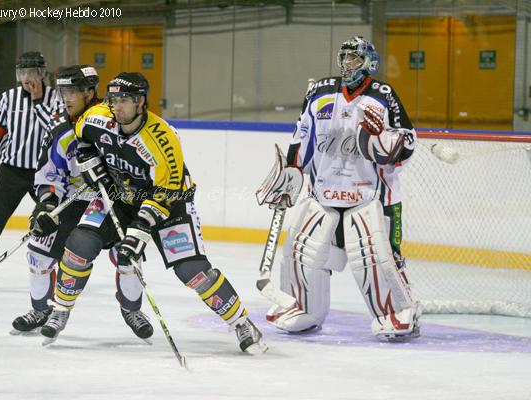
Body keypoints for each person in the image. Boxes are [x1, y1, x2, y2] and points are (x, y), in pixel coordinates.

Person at [40, 72, 267, 354]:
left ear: (141, 102)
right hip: (120, 197)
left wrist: (138, 233)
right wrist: (88, 158)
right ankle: (60, 309)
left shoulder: (162, 139)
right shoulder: (97, 117)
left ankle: (241, 323)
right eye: (114, 99)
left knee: (192, 271)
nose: (117, 106)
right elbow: (82, 135)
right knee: (79, 244)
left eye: (125, 100)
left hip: (170, 204)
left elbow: (165, 192)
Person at [256, 36, 422, 340]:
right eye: (344, 58)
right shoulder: (319, 92)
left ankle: (398, 312)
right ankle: (304, 307)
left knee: (377, 258)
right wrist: (292, 172)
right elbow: (302, 136)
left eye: (354, 59)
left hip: (371, 196)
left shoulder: (383, 96)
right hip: (324, 193)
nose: (347, 64)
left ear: (369, 62)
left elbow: (407, 143)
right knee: (302, 251)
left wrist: (381, 140)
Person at [10, 65, 153, 341]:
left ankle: (131, 309)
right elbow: (48, 172)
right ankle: (42, 310)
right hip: (72, 201)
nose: (66, 97)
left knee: (127, 256)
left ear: (90, 92)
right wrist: (46, 204)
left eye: (73, 91)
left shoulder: (111, 120)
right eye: (63, 91)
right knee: (39, 249)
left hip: (110, 200)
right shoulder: (59, 127)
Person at [0, 51, 63, 283]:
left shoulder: (56, 97)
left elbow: (54, 129)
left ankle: (64, 269)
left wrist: (38, 100)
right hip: (12, 171)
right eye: (22, 72)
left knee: (56, 218)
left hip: (44, 172)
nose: (26, 77)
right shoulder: (9, 97)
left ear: (42, 73)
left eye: (31, 72)